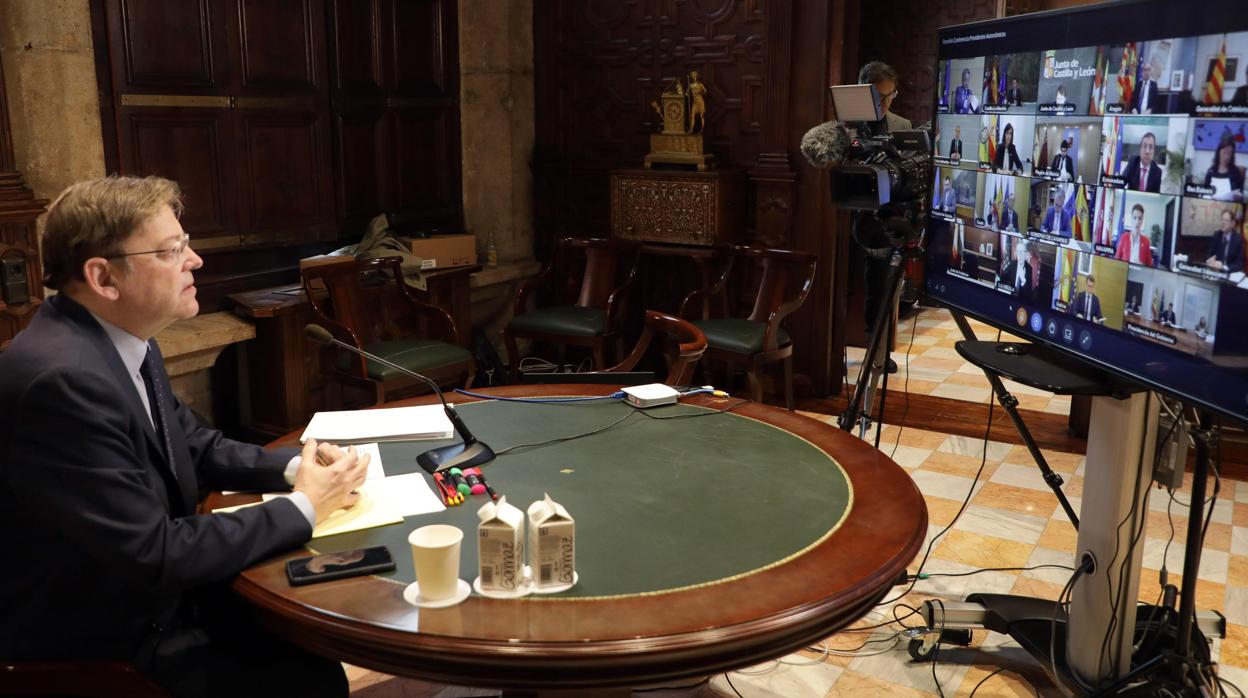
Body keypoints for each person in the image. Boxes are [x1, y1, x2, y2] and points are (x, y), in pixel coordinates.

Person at [0, 176, 370, 698]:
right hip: (102, 638)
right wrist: (306, 506)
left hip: (151, 599)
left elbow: (192, 443)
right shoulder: (62, 381)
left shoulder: (125, 340)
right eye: (171, 250)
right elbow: (156, 552)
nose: (194, 260)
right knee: (306, 680)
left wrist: (300, 467)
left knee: (311, 649)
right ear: (104, 277)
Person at [858, 61, 911, 373]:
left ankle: (877, 350)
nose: (885, 103)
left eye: (891, 96)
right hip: (851, 218)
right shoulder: (848, 126)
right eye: (879, 97)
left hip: (887, 220)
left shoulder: (902, 125)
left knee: (881, 289)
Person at [1203, 137, 1245, 202]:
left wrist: (1239, 196)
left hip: (1229, 206)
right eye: (1224, 152)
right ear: (1218, 153)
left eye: (1229, 153)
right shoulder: (1211, 171)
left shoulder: (1235, 172)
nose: (1227, 157)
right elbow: (1204, 192)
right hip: (1211, 205)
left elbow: (1240, 192)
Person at [1205, 208, 1245, 273]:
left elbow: (1239, 264)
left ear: (1232, 223)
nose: (1223, 222)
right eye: (1222, 219)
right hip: (1215, 271)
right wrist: (1210, 260)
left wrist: (1223, 267)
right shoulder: (1216, 235)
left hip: (1230, 272)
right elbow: (1209, 255)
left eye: (1226, 220)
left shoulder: (1238, 239)